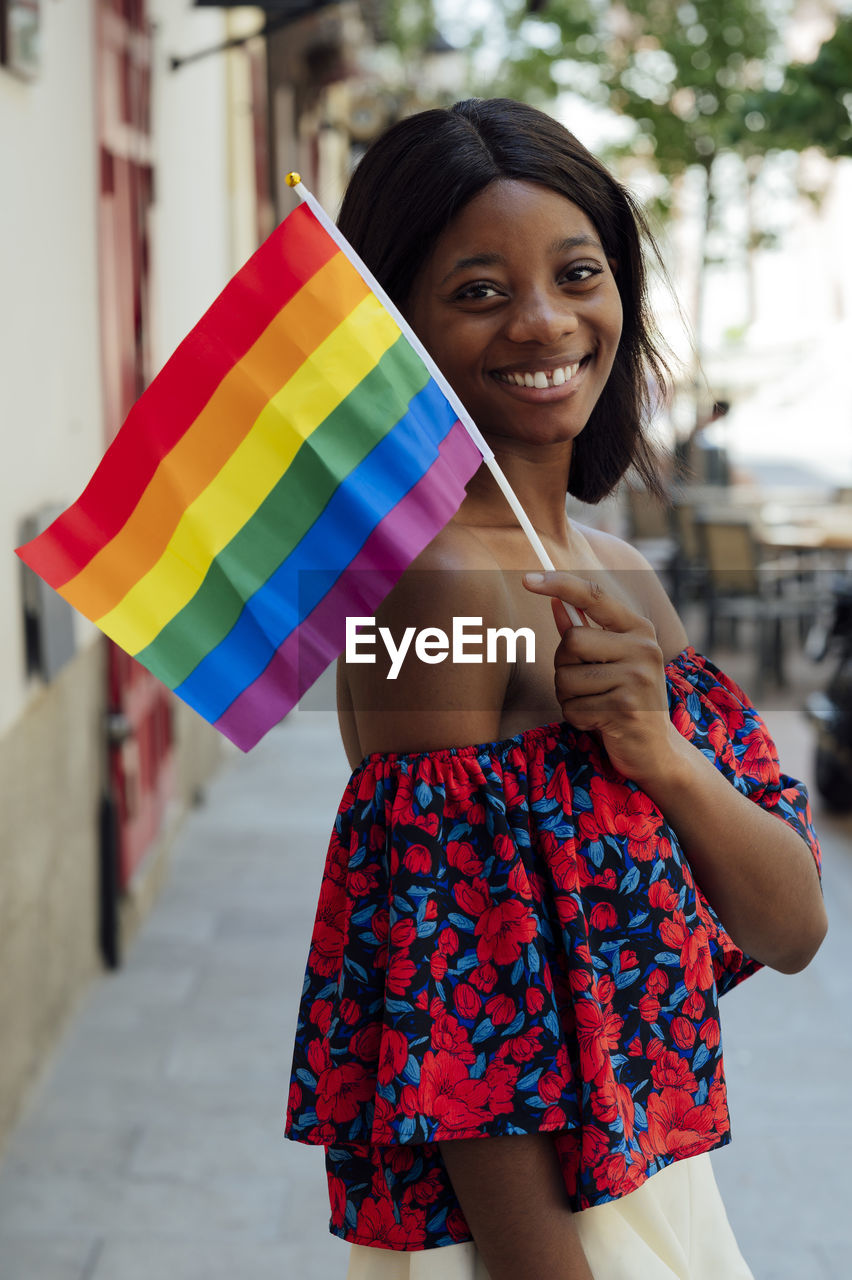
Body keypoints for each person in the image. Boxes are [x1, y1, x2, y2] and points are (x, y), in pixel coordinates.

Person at [284, 98, 826, 1280]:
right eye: (478, 290)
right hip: (537, 1236)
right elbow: (449, 1011)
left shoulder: (621, 574)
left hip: (661, 1176)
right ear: (400, 328)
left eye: (577, 271)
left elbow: (790, 926)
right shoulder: (427, 589)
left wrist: (660, 745)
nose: (544, 321)